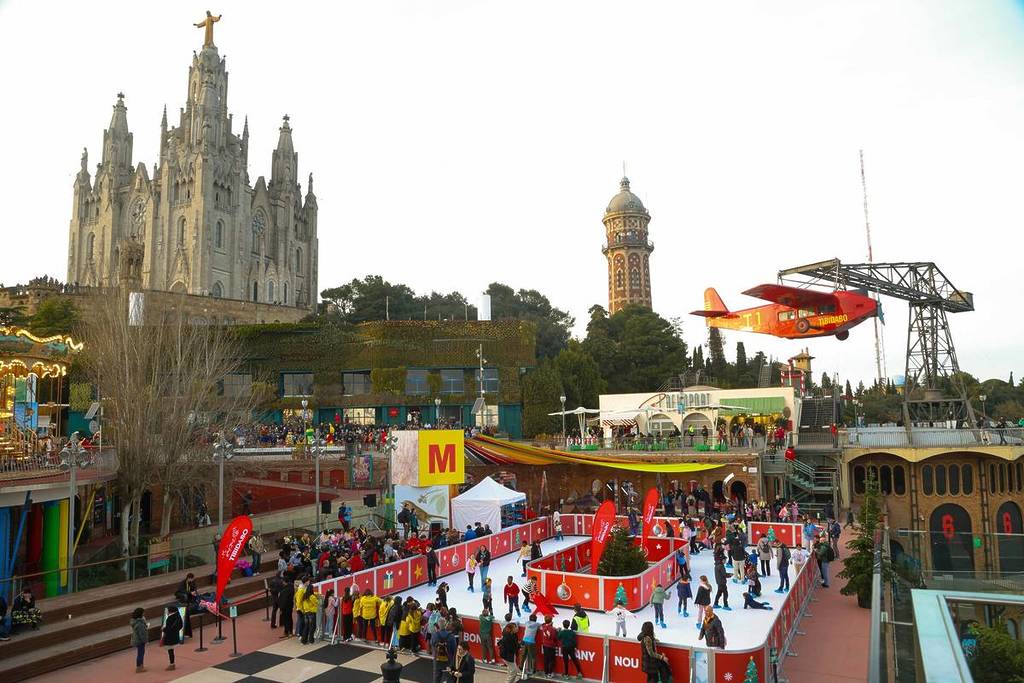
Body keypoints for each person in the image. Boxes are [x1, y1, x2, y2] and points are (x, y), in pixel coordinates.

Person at [161, 604, 183, 671]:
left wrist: (163, 629)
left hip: (169, 637)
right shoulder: (178, 616)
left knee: (170, 651)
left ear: (171, 611)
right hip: (175, 635)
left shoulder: (170, 618)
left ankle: (172, 664)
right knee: (171, 651)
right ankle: (172, 664)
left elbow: (168, 629)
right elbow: (181, 625)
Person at [175, 573, 198, 638]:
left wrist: (194, 592)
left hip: (189, 593)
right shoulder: (183, 583)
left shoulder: (192, 582)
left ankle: (192, 603)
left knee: (195, 595)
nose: (193, 580)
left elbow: (195, 588)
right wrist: (190, 593)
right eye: (192, 579)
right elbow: (181, 590)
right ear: (189, 578)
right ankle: (184, 603)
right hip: (182, 593)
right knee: (185, 596)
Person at [499, 619, 521, 683]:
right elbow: (511, 648)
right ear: (512, 629)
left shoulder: (513, 635)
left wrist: (518, 645)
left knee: (511, 670)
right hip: (507, 656)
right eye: (515, 627)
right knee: (514, 671)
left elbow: (514, 645)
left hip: (511, 655)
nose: (517, 628)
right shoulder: (508, 637)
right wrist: (518, 646)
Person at [130, 607, 148, 673]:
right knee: (140, 654)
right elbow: (142, 634)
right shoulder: (140, 623)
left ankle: (141, 665)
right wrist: (145, 641)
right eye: (143, 612)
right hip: (140, 640)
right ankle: (139, 667)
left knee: (140, 653)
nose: (144, 613)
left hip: (136, 639)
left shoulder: (134, 621)